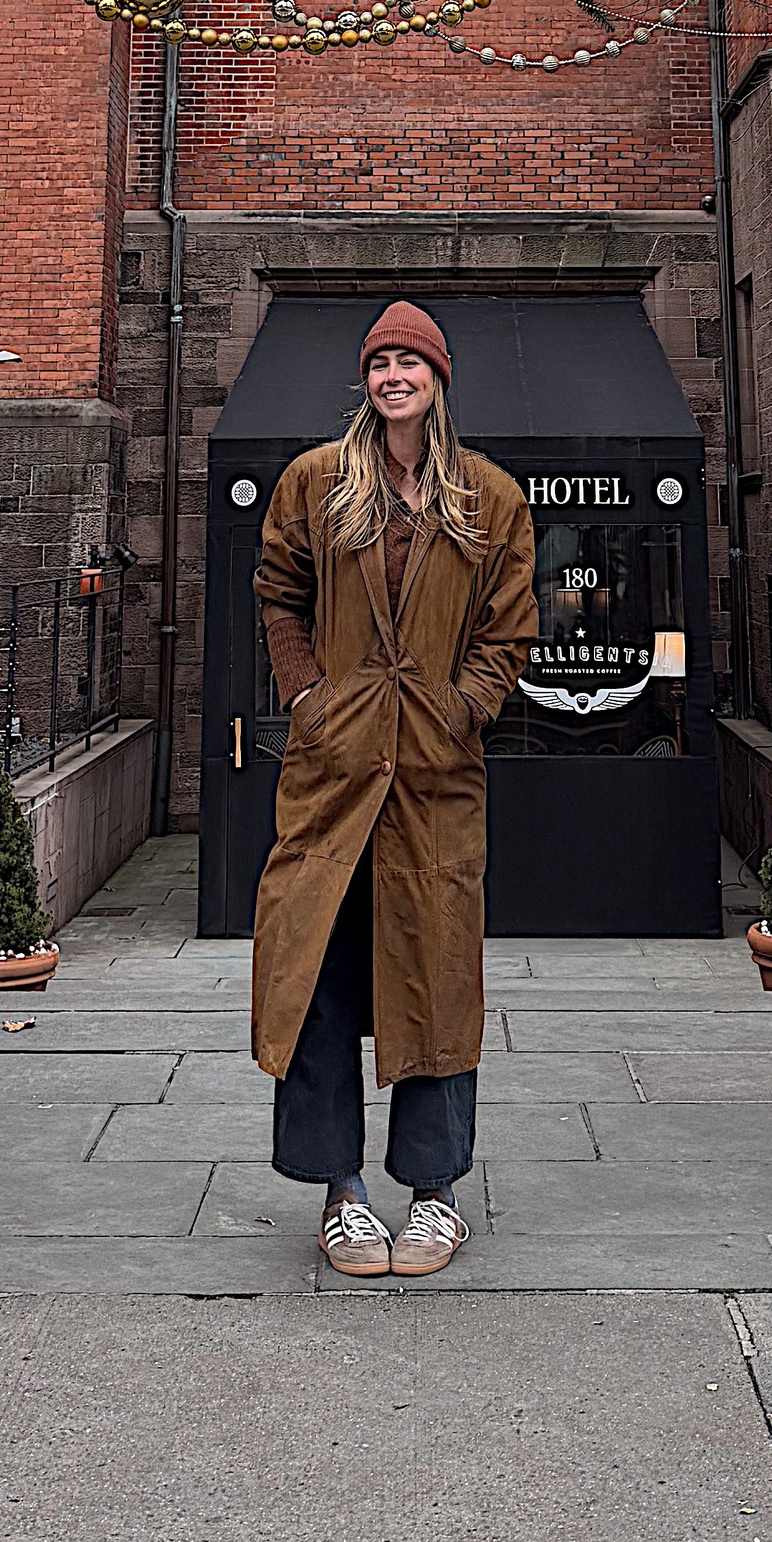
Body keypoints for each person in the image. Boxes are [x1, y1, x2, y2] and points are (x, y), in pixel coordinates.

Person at [250, 300, 536, 1276]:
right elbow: (277, 591)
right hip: (332, 772)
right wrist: (309, 696)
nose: (394, 376)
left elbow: (509, 629)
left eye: (410, 361)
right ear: (365, 380)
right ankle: (341, 1195)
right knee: (318, 977)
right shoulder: (315, 483)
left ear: (438, 379)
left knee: (435, 980)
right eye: (380, 361)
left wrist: (465, 707)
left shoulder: (487, 496)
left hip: (432, 779)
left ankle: (435, 1194)